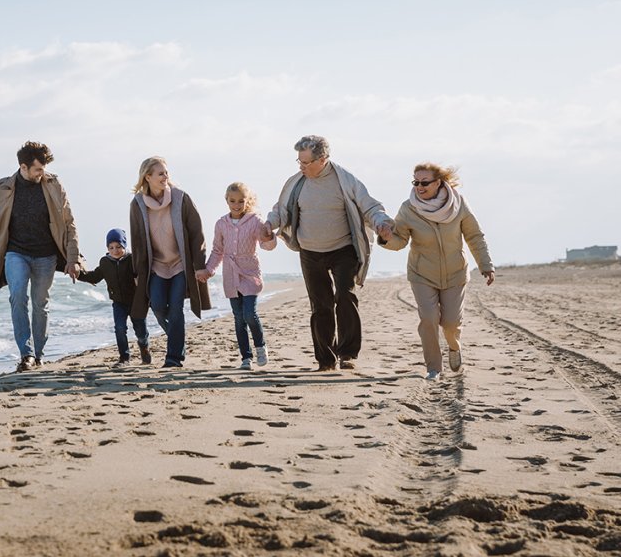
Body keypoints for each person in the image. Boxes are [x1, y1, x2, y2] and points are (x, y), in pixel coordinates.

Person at [264, 135, 394, 371]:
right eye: (299, 162)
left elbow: (371, 207)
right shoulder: (296, 182)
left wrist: (382, 223)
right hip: (310, 252)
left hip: (343, 249)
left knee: (345, 297)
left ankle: (347, 353)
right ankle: (325, 360)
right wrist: (269, 224)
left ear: (322, 159)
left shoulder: (345, 180)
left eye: (306, 163)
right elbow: (280, 210)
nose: (301, 167)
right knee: (320, 305)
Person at [378, 163, 494, 380]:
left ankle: (454, 346)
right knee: (429, 319)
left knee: (450, 323)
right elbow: (400, 241)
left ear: (438, 182)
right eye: (415, 182)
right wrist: (386, 238)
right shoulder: (408, 208)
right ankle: (434, 368)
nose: (419, 187)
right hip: (422, 273)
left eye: (424, 182)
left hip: (455, 272)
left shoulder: (458, 204)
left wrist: (486, 265)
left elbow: (474, 236)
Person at [0, 141, 83, 373]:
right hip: (16, 253)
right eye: (37, 169)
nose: (41, 173)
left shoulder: (54, 185)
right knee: (17, 297)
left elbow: (69, 223)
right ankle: (25, 354)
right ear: (23, 167)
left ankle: (39, 354)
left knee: (40, 304)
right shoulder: (3, 189)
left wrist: (73, 257)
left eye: (43, 169)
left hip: (46, 255)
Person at [129, 156, 210, 368]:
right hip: (156, 266)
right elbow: (137, 240)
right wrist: (137, 272)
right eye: (160, 173)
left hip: (180, 265)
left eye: (166, 172)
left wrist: (199, 265)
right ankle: (177, 334)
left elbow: (196, 233)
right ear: (148, 177)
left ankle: (174, 357)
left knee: (175, 308)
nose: (166, 176)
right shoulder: (137, 204)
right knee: (156, 304)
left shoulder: (181, 198)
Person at [197, 182, 277, 370]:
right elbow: (217, 251)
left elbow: (266, 245)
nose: (237, 205)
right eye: (233, 201)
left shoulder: (255, 221)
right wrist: (208, 270)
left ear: (247, 201)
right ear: (227, 200)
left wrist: (269, 237)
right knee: (239, 318)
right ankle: (246, 357)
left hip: (250, 273)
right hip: (230, 276)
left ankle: (260, 346)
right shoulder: (221, 224)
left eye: (241, 201)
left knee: (249, 313)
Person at [78, 228, 152, 368]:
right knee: (119, 328)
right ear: (107, 248)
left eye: (118, 247)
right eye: (111, 247)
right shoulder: (105, 262)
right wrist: (78, 273)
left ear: (124, 246)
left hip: (136, 302)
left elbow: (143, 274)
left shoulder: (132, 259)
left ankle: (144, 347)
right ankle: (124, 358)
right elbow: (93, 277)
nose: (115, 250)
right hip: (118, 303)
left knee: (141, 331)